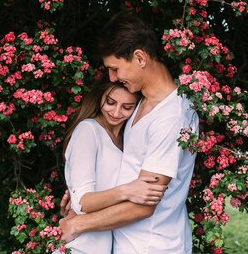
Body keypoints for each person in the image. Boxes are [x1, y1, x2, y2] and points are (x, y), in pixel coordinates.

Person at [60, 12, 199, 254]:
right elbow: (126, 169)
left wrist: (78, 223)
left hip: (154, 247)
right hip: (125, 244)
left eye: (115, 69)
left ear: (139, 58)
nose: (112, 77)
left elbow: (144, 205)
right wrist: (83, 197)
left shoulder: (171, 117)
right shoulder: (141, 104)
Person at [59, 80, 167, 254]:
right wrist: (127, 191)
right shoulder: (88, 130)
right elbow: (81, 203)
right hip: (81, 246)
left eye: (127, 107)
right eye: (110, 102)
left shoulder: (126, 140)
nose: (116, 112)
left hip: (108, 244)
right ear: (100, 97)